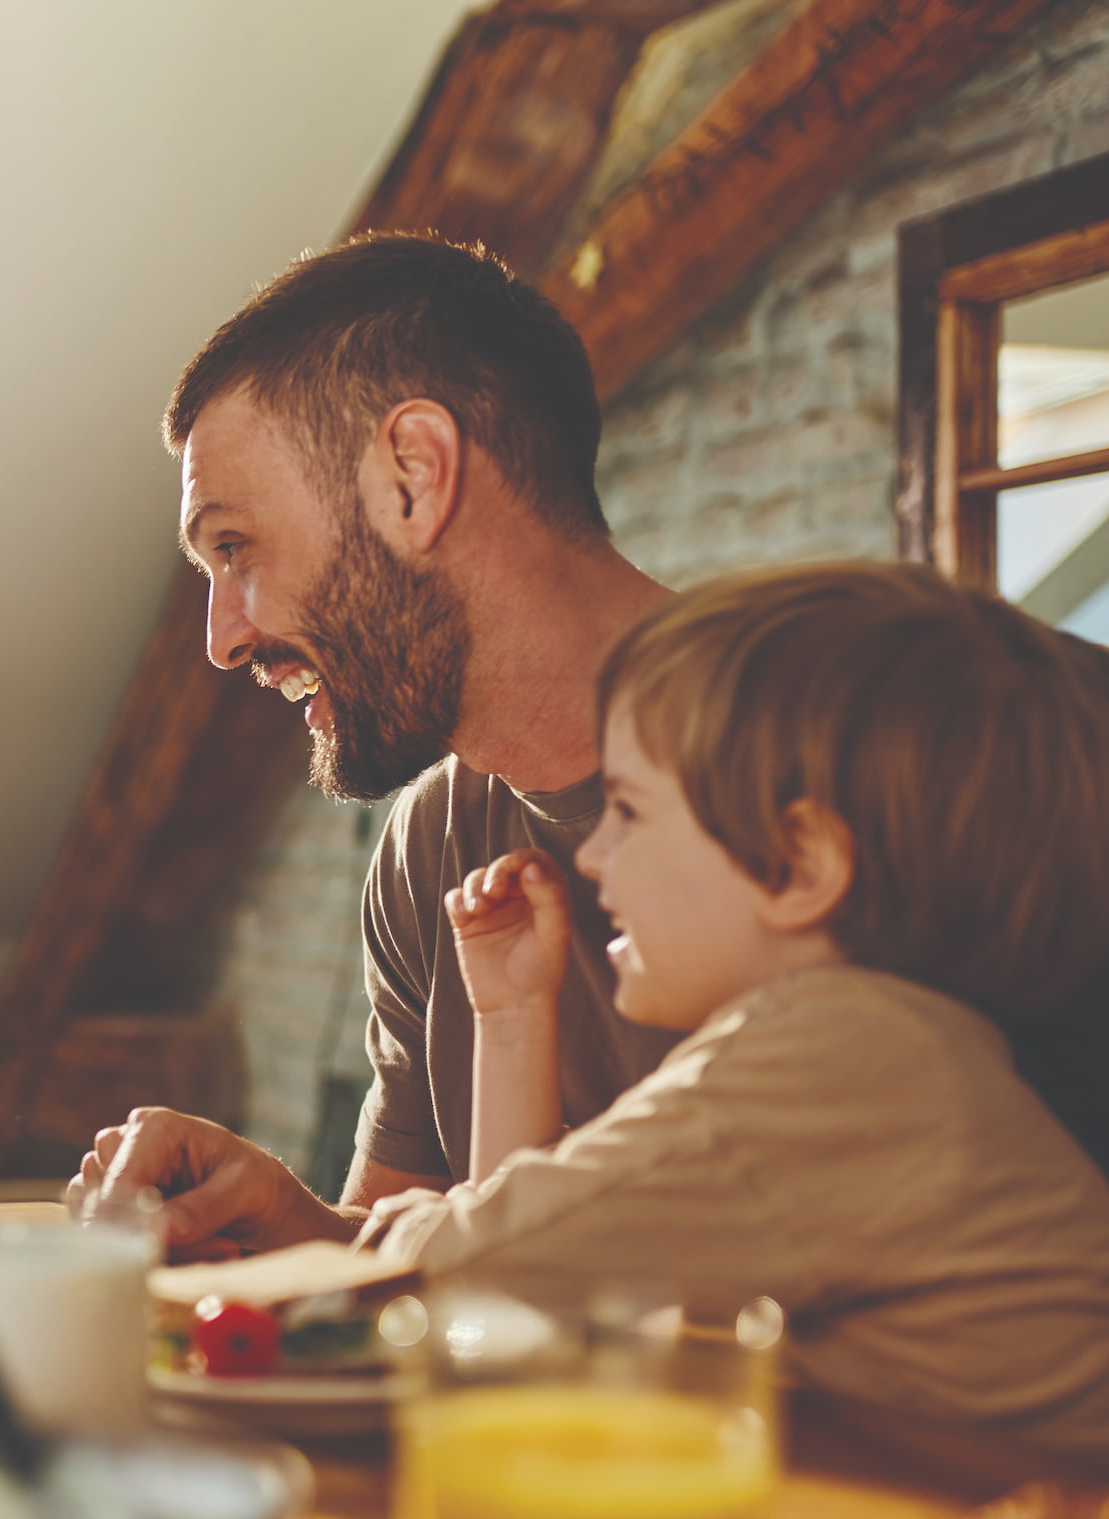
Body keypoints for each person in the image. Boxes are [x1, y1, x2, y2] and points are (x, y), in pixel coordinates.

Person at [95, 563, 1109, 1451]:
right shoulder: (888, 1047)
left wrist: (130, 1295)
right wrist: (511, 1021)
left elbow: (489, 1264)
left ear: (799, 864)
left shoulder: (852, 1060)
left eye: (629, 809)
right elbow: (529, 1288)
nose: (592, 853)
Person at [166, 231, 680, 1208]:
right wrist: (288, 1220)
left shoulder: (845, 750)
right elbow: (410, 1275)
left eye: (236, 546)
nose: (221, 639)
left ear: (412, 474)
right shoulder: (432, 849)